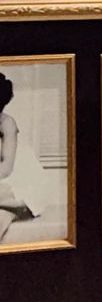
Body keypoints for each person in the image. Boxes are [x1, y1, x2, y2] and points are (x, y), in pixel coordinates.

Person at [0, 72, 50, 242]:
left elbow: (6, 169)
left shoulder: (7, 123)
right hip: (6, 192)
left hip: (20, 183)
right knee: (3, 216)